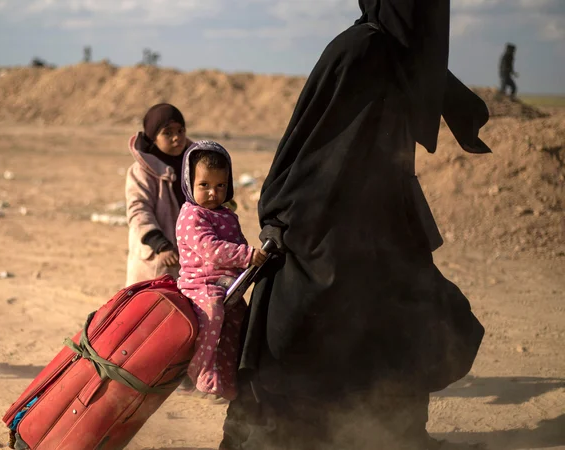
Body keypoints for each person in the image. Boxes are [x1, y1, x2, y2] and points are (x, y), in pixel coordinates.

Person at [221, 1, 490, 449]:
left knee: (402, 320)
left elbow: (434, 85)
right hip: (327, 216)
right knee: (301, 318)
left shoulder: (405, 55)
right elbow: (310, 142)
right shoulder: (359, 49)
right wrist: (284, 217)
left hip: (386, 219)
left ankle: (393, 433)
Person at [175, 141, 267, 401]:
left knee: (239, 319)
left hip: (227, 284)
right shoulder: (191, 215)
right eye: (204, 185)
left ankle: (227, 378)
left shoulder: (227, 215)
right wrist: (248, 256)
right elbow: (211, 249)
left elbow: (236, 245)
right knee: (214, 311)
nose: (213, 193)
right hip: (200, 284)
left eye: (220, 186)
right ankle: (200, 369)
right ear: (189, 183)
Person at [125, 103, 192, 286]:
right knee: (154, 310)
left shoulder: (194, 165)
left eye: (180, 130)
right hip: (157, 261)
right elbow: (138, 211)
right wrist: (160, 245)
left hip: (191, 262)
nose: (176, 138)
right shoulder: (141, 172)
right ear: (153, 138)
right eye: (167, 133)